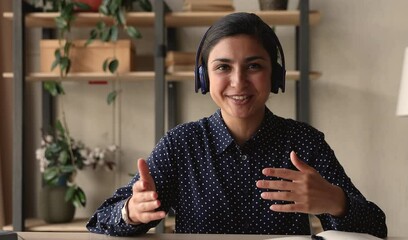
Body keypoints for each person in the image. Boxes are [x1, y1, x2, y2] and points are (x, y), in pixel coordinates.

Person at [86, 12, 387, 237]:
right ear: (204, 77)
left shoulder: (305, 142)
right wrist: (131, 212)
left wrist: (337, 202)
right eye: (223, 67)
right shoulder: (182, 144)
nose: (238, 82)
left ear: (275, 75)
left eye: (254, 66)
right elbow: (99, 221)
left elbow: (377, 228)